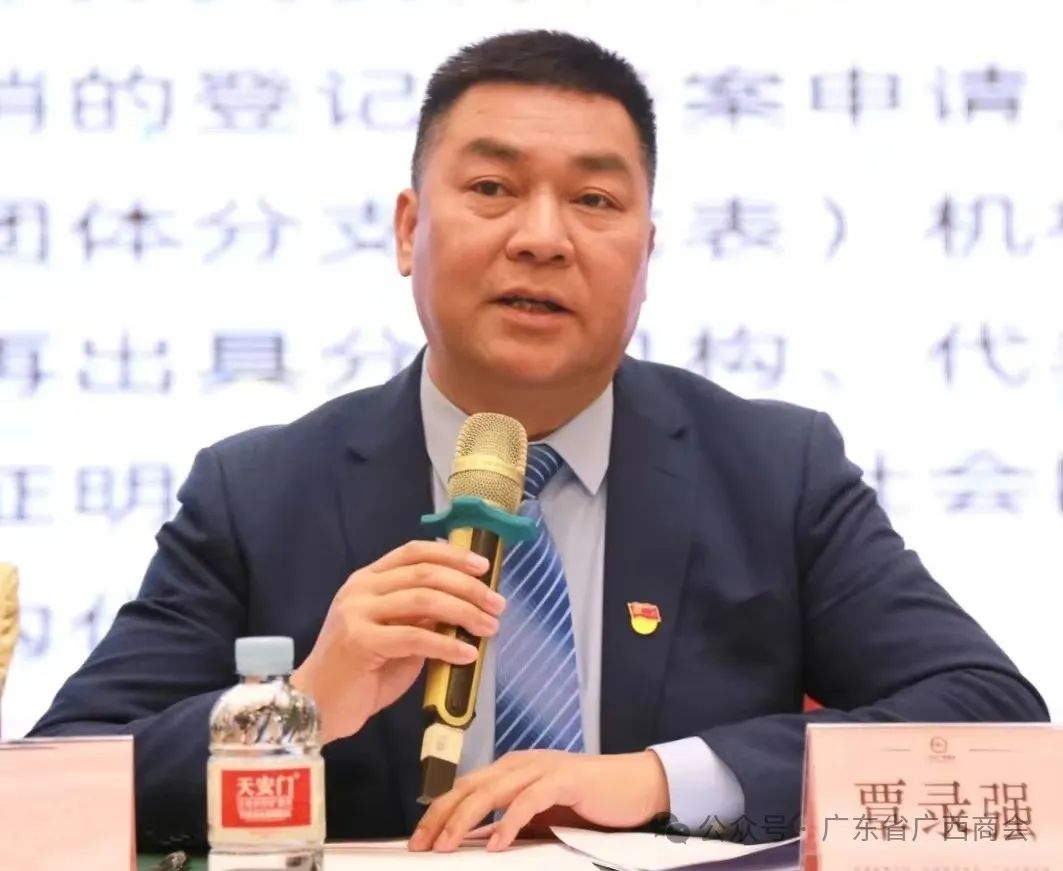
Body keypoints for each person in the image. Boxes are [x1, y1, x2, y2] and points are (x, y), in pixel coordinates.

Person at [30, 29, 1047, 854]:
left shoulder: (774, 471)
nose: (543, 237)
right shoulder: (259, 491)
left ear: (646, 253)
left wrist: (661, 778)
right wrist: (299, 706)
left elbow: (993, 722)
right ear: (407, 230)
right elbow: (56, 783)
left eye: (595, 200)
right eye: (492, 189)